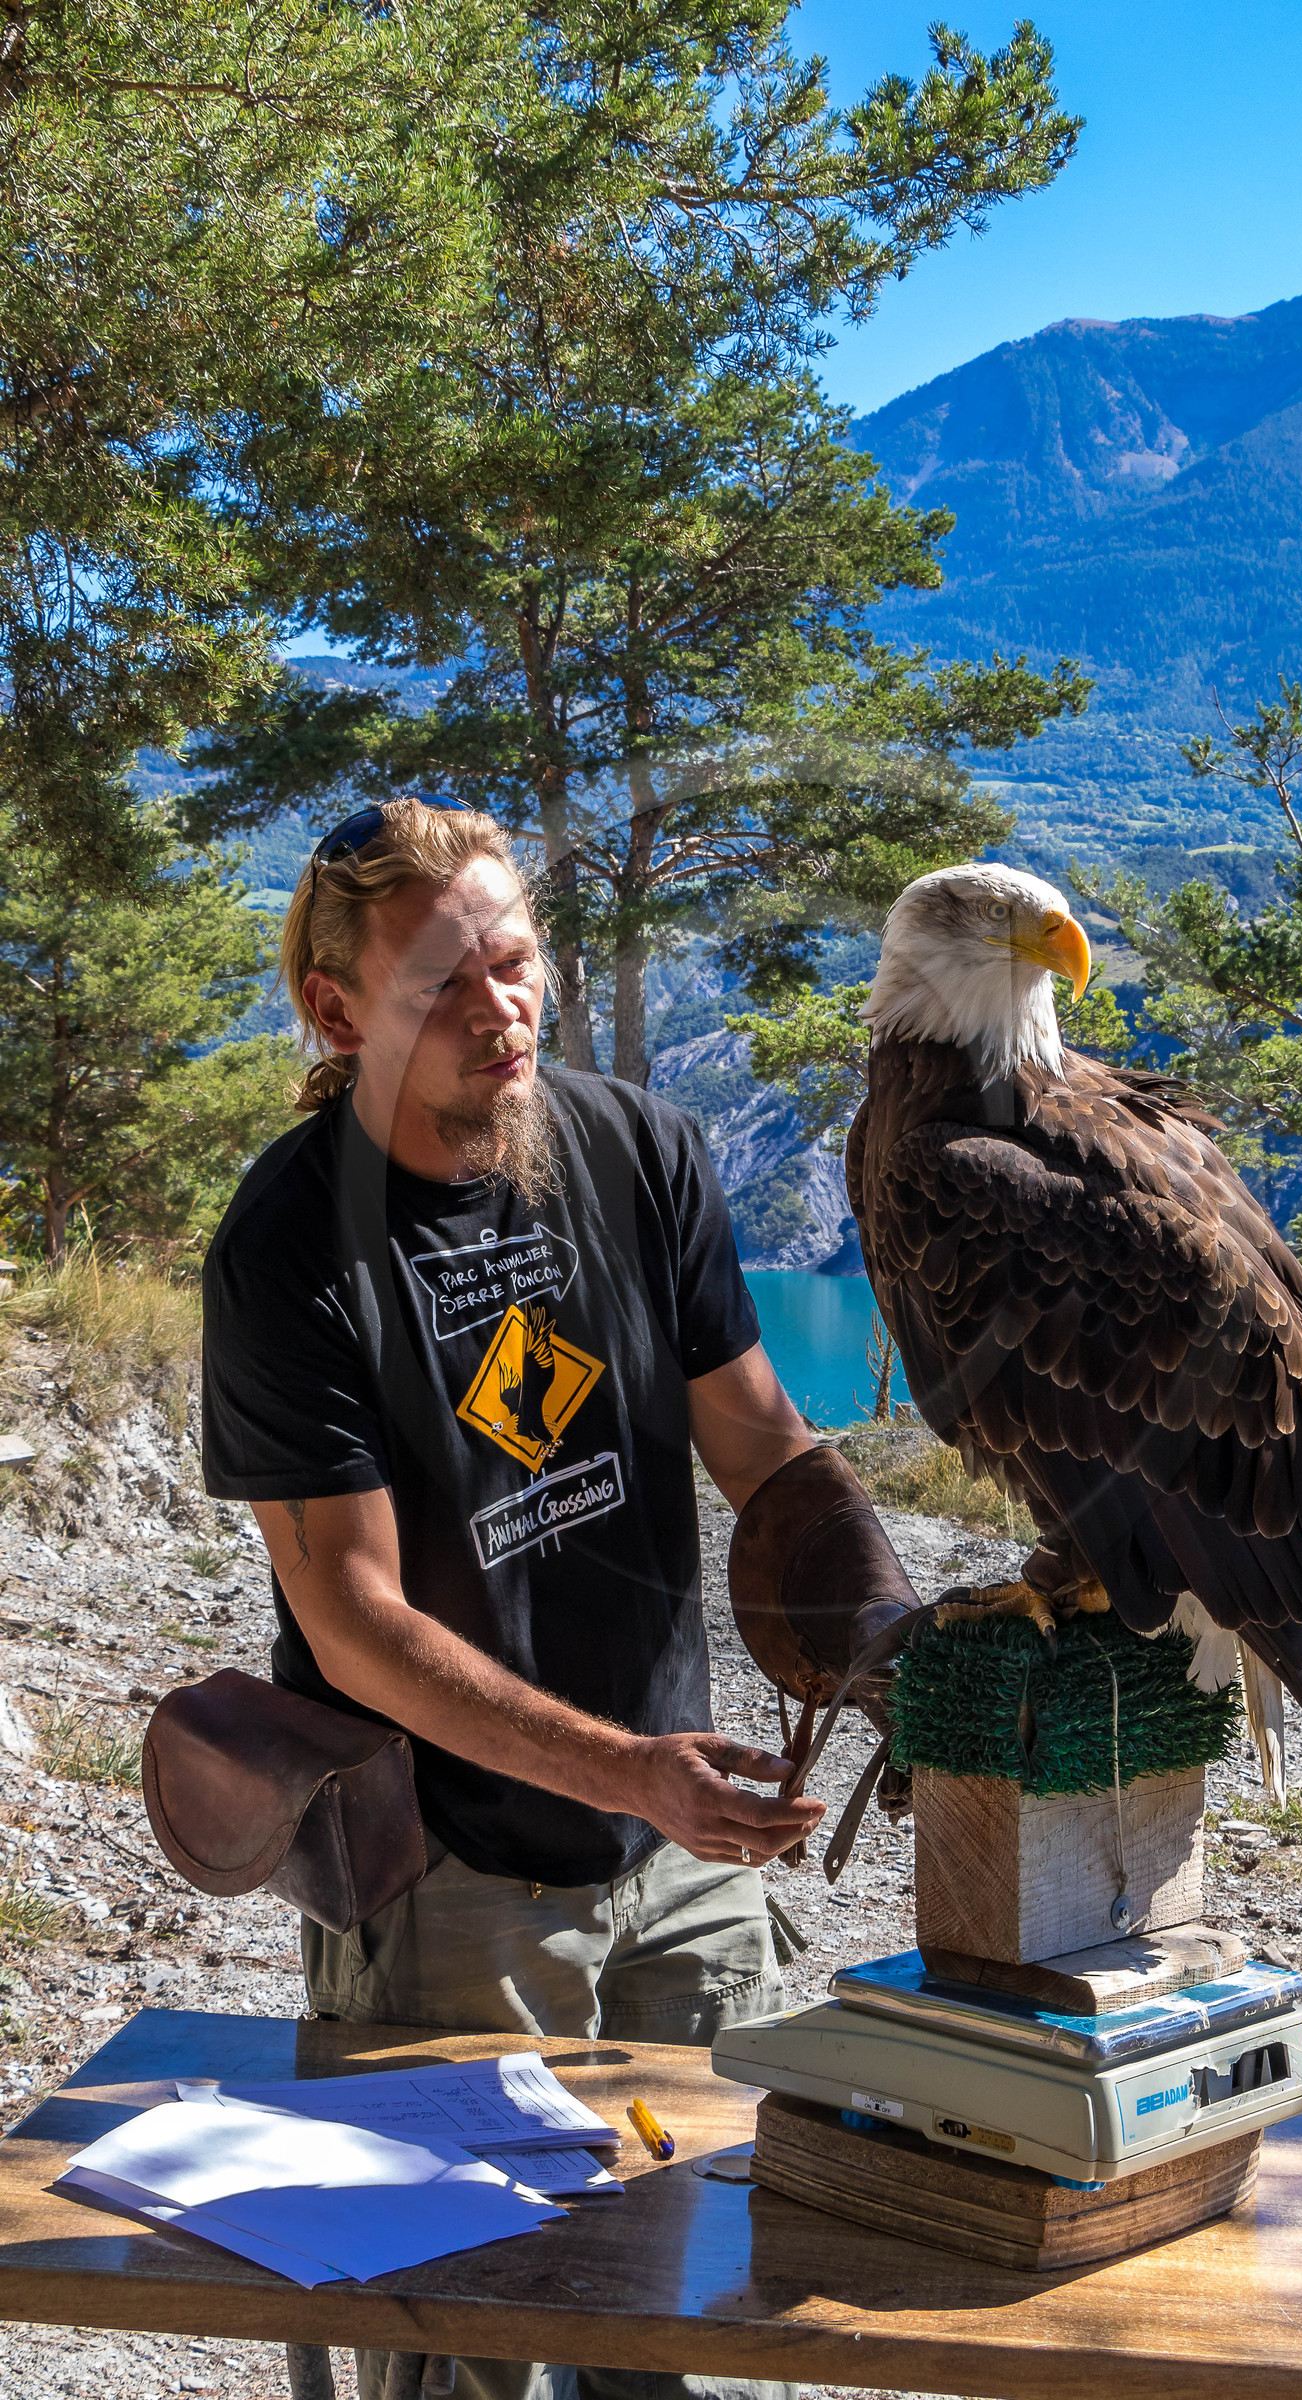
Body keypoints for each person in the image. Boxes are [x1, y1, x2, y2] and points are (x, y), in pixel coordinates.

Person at [202, 795, 826, 2400]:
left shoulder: (637, 1150)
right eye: (445, 987)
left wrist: (898, 1635)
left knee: (690, 2308)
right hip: (448, 1880)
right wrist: (633, 1770)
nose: (503, 1011)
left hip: (677, 1863)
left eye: (519, 963)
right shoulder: (289, 1249)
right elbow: (352, 1619)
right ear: (339, 1012)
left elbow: (761, 1444)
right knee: (459, 2340)